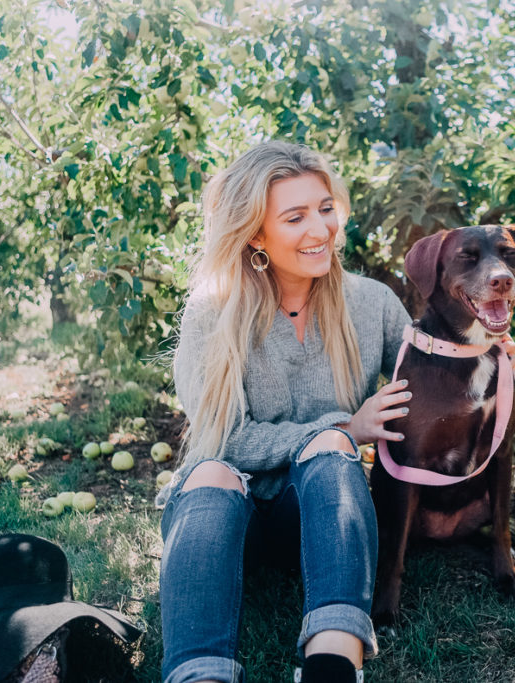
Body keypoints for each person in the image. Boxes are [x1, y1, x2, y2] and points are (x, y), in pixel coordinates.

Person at [156, 140, 411, 683]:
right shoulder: (212, 314)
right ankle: (201, 674)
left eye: (325, 209)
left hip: (321, 520)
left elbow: (436, 376)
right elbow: (221, 438)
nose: (319, 230)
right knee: (210, 470)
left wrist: (487, 347)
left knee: (331, 449)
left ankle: (333, 664)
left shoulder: (371, 304)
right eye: (294, 217)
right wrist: (346, 424)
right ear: (255, 233)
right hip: (222, 523)